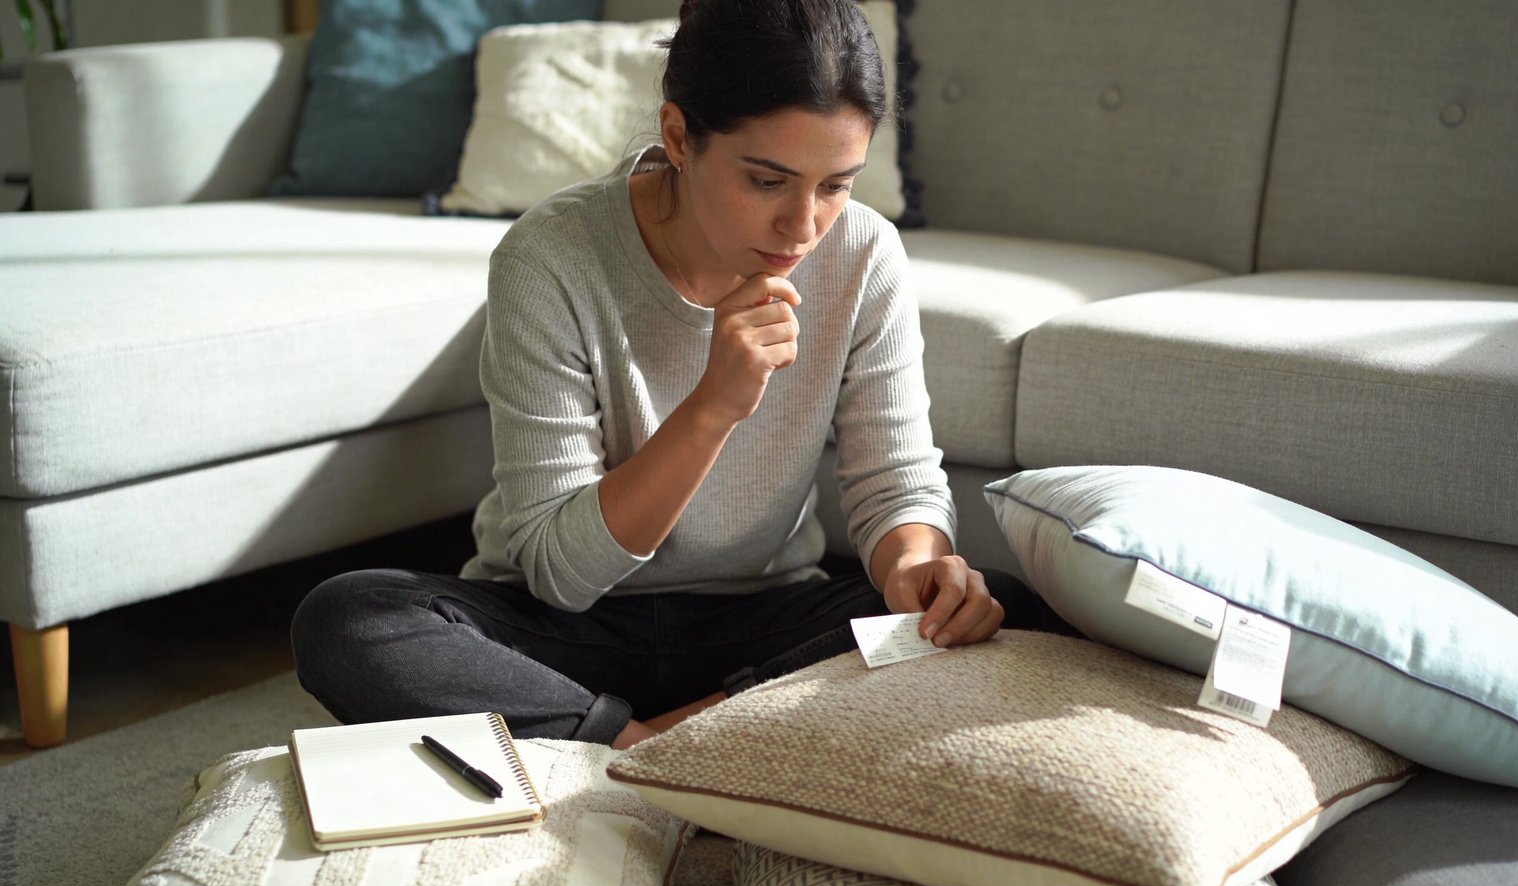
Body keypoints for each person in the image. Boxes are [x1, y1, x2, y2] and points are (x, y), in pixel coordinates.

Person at [291, 0, 1060, 750]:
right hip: (561, 631)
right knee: (351, 621)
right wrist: (712, 408)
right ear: (679, 135)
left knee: (1005, 607)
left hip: (759, 621)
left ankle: (624, 743)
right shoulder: (549, 259)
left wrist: (919, 574)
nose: (803, 228)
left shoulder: (863, 254)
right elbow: (562, 574)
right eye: (767, 181)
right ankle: (682, 742)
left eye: (835, 185)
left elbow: (894, 485)